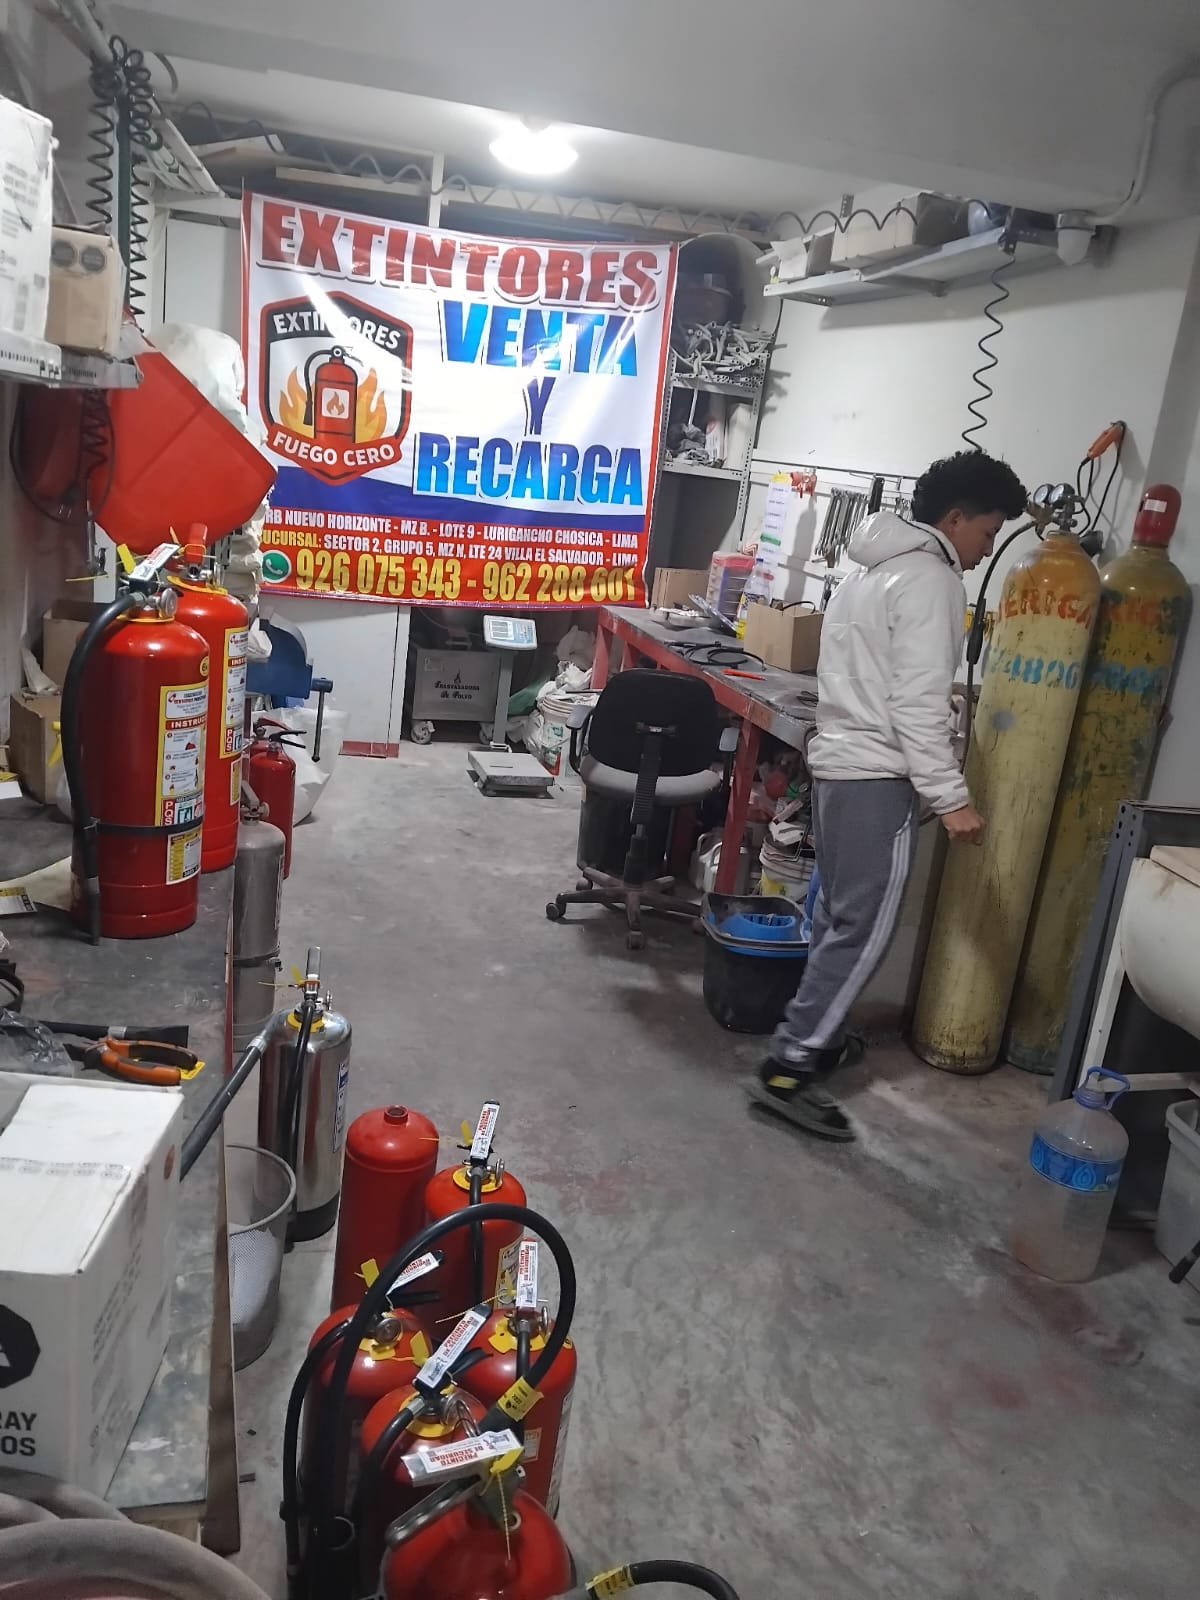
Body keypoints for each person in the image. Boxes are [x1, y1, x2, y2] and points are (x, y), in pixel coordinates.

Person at [748, 449, 1028, 1140]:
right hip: (877, 776)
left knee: (835, 915)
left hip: (839, 766)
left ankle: (815, 1033)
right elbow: (917, 704)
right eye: (987, 531)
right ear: (955, 518)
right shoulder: (931, 581)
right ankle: (790, 1065)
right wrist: (951, 796)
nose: (985, 549)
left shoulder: (868, 572)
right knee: (863, 929)